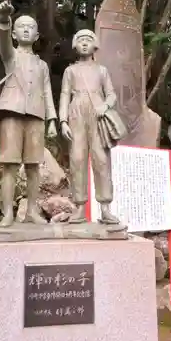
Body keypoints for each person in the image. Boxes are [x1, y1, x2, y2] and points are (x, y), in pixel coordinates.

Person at [0, 0, 57, 226]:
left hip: (36, 116)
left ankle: (32, 211)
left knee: (33, 165)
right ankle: (8, 214)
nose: (25, 29)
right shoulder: (10, 56)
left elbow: (48, 92)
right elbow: (2, 43)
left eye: (30, 27)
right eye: (21, 26)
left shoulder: (42, 65)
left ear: (37, 36)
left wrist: (52, 120)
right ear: (14, 33)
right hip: (11, 112)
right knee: (9, 164)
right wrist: (4, 19)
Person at [59, 29, 120, 224]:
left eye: (88, 40)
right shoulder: (70, 71)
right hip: (76, 114)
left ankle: (105, 207)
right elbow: (64, 95)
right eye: (80, 40)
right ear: (75, 45)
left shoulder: (102, 70)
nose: (84, 43)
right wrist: (62, 121)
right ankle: (79, 207)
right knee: (77, 160)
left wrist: (106, 105)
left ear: (95, 45)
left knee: (101, 160)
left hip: (98, 116)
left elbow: (112, 94)